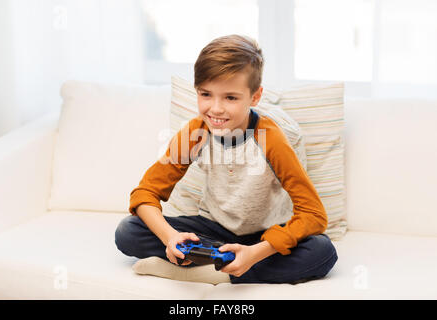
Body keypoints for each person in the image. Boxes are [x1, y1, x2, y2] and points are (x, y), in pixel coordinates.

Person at [115, 34, 338, 284]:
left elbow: (313, 214)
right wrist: (170, 238)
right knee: (128, 231)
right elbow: (145, 193)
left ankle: (207, 270)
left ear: (254, 97)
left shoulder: (270, 138)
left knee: (322, 252)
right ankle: (220, 261)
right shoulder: (195, 133)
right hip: (214, 229)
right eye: (206, 94)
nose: (216, 108)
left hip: (263, 238)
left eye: (230, 97)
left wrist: (256, 252)